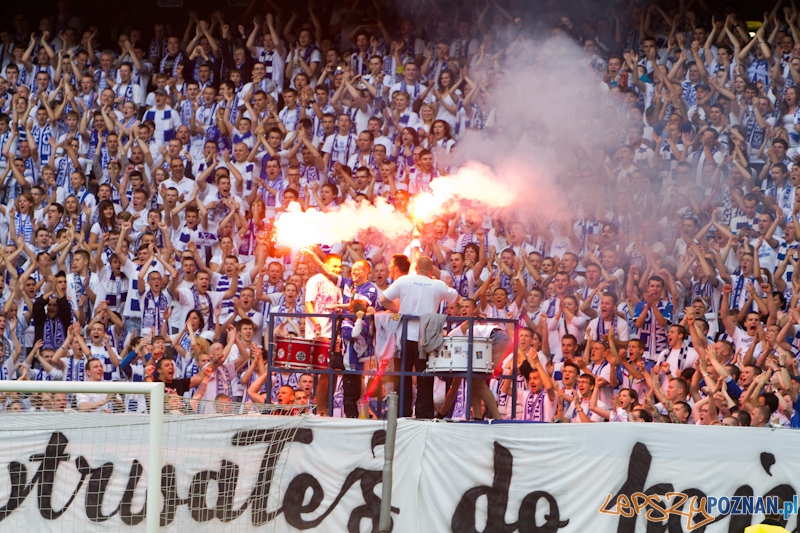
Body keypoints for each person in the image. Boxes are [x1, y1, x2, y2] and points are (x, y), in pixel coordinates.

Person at [380, 256, 459, 418]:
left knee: (404, 376)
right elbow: (455, 298)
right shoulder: (437, 284)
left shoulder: (403, 281)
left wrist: (399, 312)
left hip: (404, 336)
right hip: (426, 338)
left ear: (416, 269)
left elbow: (383, 300)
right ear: (431, 271)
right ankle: (424, 414)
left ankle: (402, 413)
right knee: (424, 377)